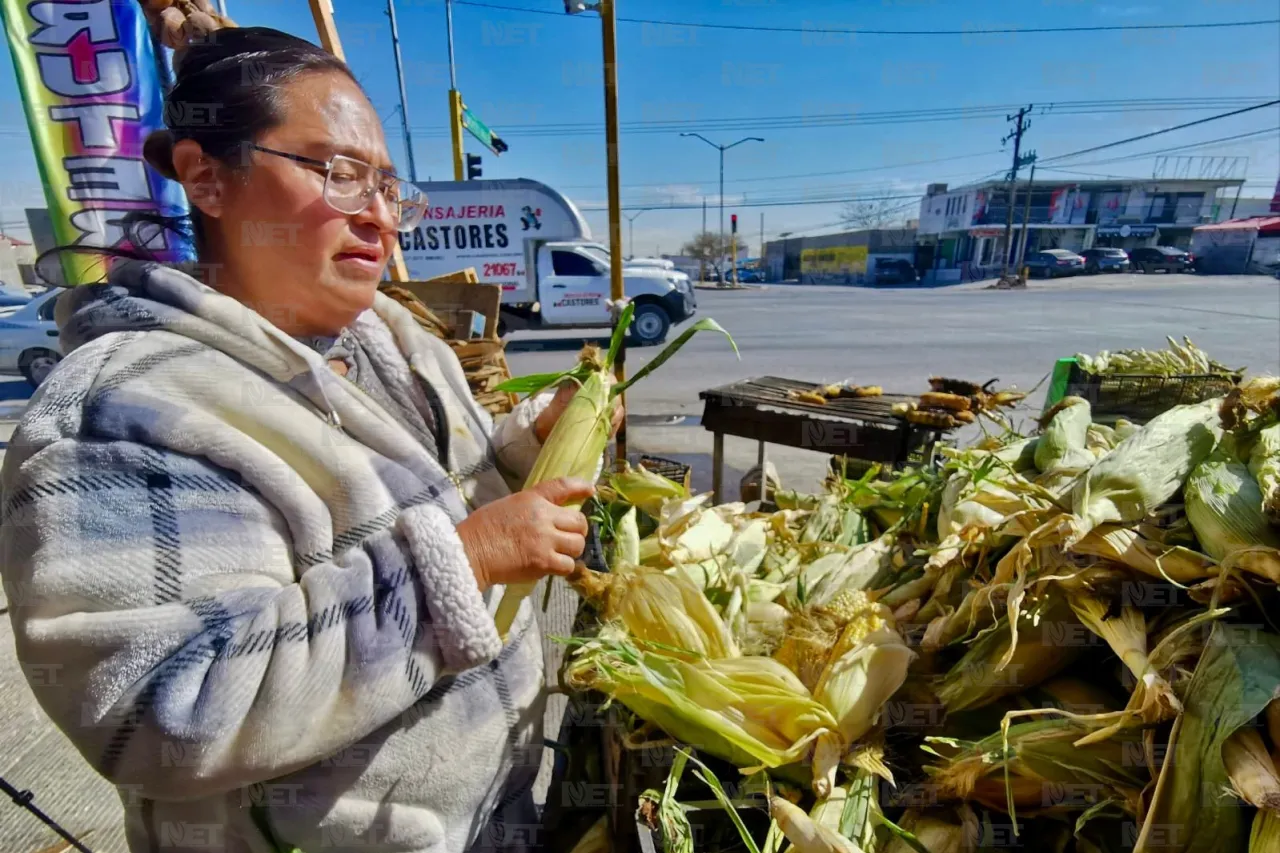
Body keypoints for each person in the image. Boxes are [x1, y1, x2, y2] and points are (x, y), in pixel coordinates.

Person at [0, 27, 618, 853]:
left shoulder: (397, 339)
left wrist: (524, 448)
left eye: (389, 186)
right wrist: (462, 564)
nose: (378, 215)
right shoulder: (124, 412)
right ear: (206, 177)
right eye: (337, 171)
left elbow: (436, 491)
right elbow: (159, 711)